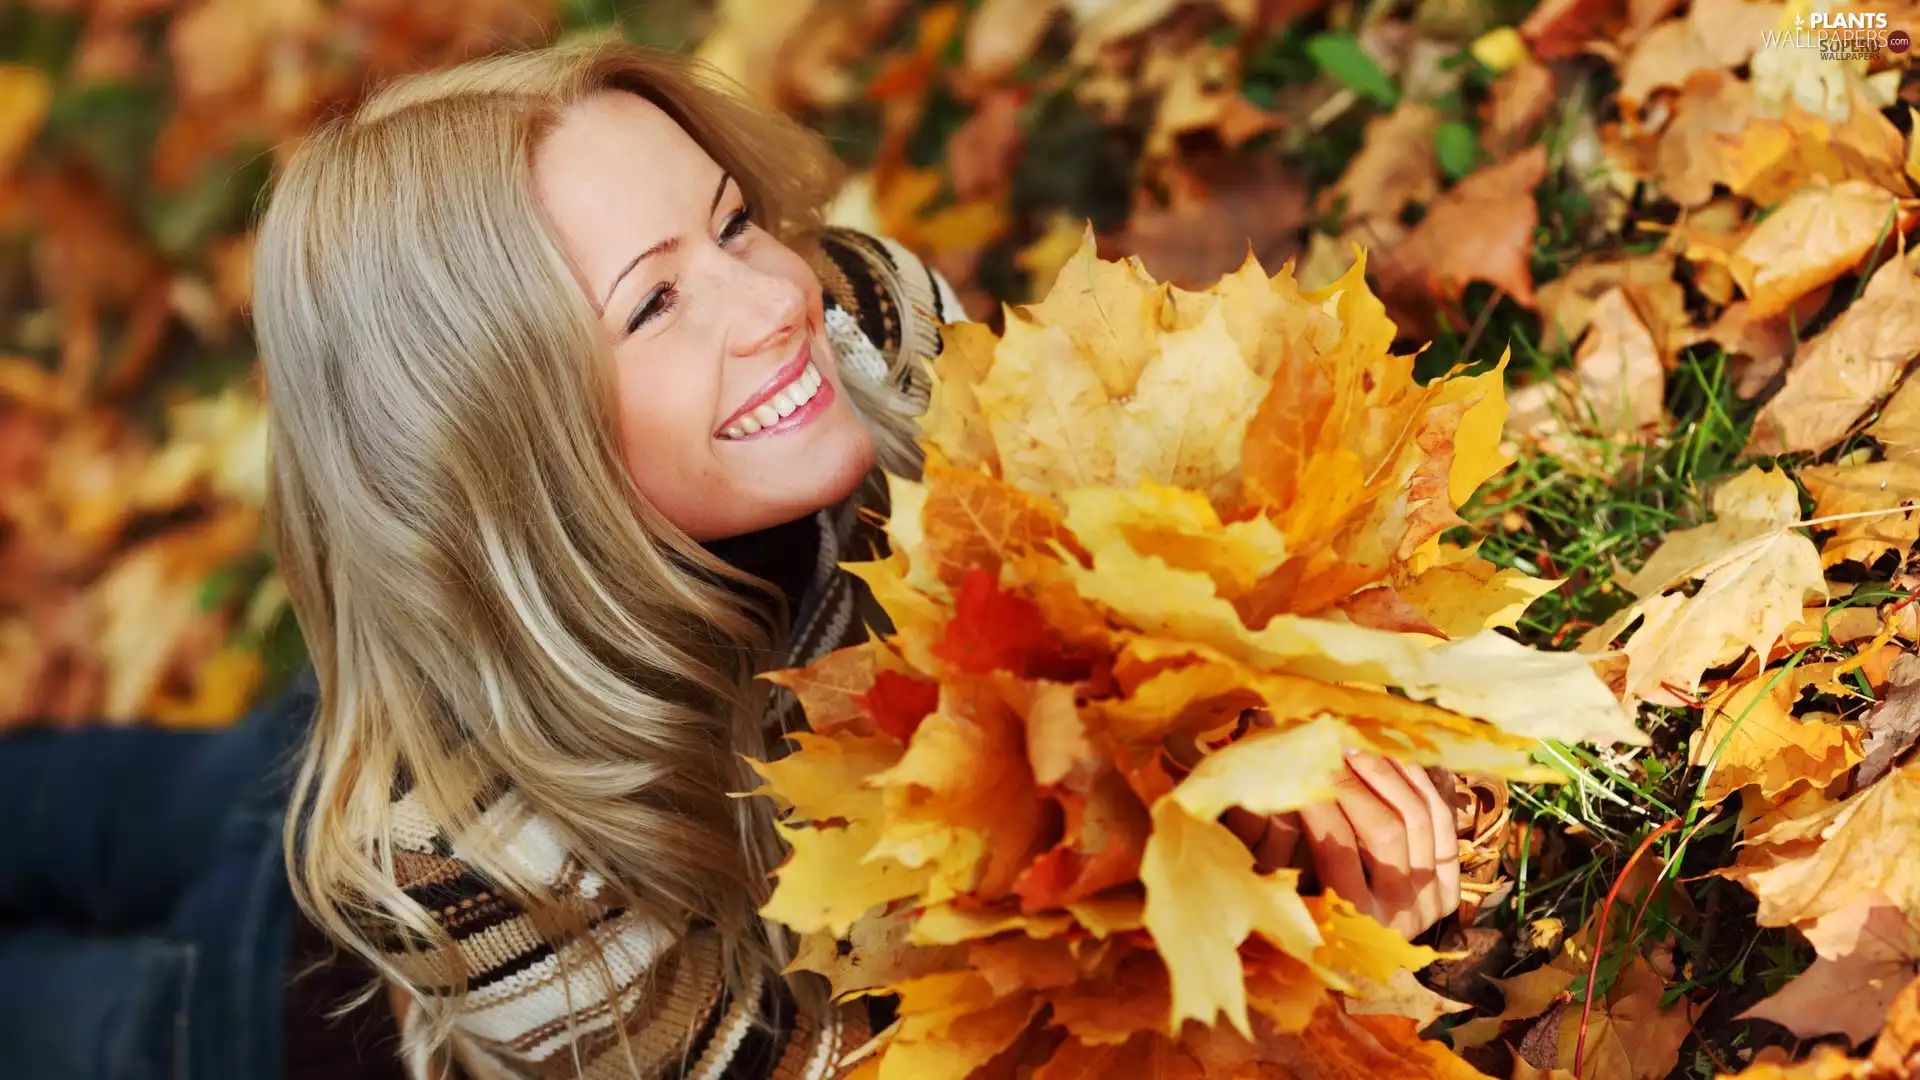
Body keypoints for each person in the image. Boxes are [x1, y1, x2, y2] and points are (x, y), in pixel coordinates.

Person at [0, 35, 1467, 1080]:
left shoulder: (862, 327)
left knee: (121, 791)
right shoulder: (489, 872)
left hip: (446, 693)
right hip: (278, 996)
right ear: (505, 452)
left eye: (730, 223)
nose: (769, 300)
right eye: (652, 308)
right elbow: (877, 1051)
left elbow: (1117, 578)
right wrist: (1253, 955)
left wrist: (1271, 800)